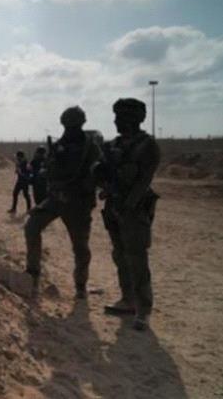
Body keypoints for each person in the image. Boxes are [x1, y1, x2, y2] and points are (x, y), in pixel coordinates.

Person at [96, 98, 160, 331]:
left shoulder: (147, 145)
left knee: (137, 259)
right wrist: (101, 178)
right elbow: (103, 173)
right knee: (120, 255)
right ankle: (128, 299)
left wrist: (127, 206)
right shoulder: (113, 145)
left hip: (133, 210)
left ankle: (143, 309)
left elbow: (143, 181)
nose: (115, 121)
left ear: (132, 119)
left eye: (120, 118)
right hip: (114, 207)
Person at [24, 106, 101, 299]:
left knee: (80, 248)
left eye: (72, 126)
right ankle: (33, 273)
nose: (68, 130)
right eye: (66, 126)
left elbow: (97, 173)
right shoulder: (60, 145)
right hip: (56, 199)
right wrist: (52, 165)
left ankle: (81, 285)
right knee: (31, 227)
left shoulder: (90, 147)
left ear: (81, 124)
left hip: (78, 203)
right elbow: (49, 171)